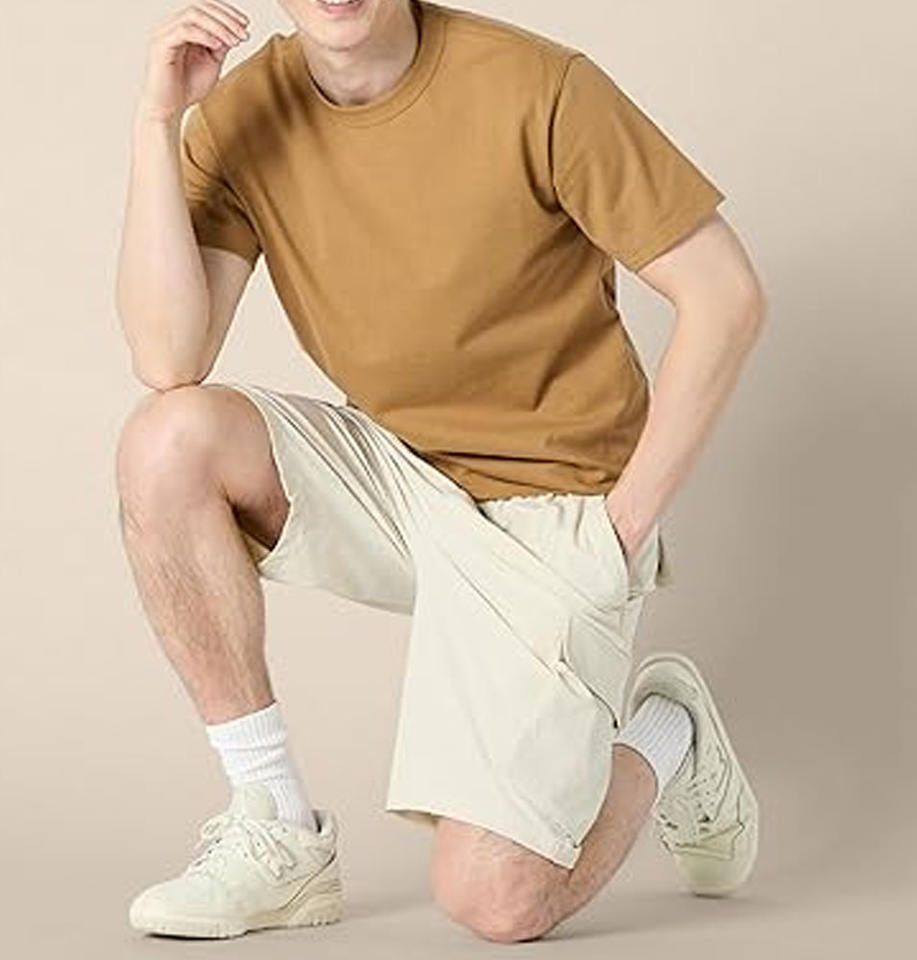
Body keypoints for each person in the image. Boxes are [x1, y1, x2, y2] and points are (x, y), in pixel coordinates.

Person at [114, 0, 766, 943]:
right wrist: (156, 121)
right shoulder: (242, 113)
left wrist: (622, 530)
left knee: (497, 900)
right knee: (165, 440)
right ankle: (277, 824)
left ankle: (670, 728)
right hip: (401, 479)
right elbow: (167, 355)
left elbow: (726, 295)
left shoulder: (541, 89)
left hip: (555, 503)